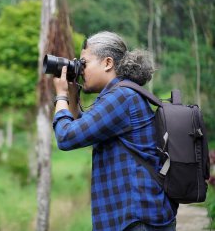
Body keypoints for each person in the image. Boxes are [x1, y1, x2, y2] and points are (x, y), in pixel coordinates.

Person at [52, 31, 178, 231]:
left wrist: (60, 95)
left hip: (138, 220)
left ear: (107, 63)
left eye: (84, 63)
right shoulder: (117, 95)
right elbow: (81, 128)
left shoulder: (121, 97)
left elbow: (66, 137)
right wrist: (73, 91)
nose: (80, 69)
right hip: (132, 219)